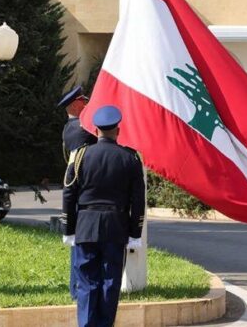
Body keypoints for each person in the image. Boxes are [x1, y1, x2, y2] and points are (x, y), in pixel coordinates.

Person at [62, 105, 145, 327]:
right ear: (117, 130)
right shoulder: (130, 158)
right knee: (110, 281)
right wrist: (135, 233)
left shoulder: (80, 156)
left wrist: (68, 229)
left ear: (96, 130)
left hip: (85, 227)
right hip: (116, 227)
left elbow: (69, 194)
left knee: (87, 282)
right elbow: (138, 200)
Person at [59, 85, 97, 301]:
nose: (88, 103)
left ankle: (79, 287)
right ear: (75, 104)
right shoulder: (78, 128)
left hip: (81, 193)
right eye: (84, 101)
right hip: (80, 193)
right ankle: (77, 288)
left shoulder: (77, 126)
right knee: (79, 245)